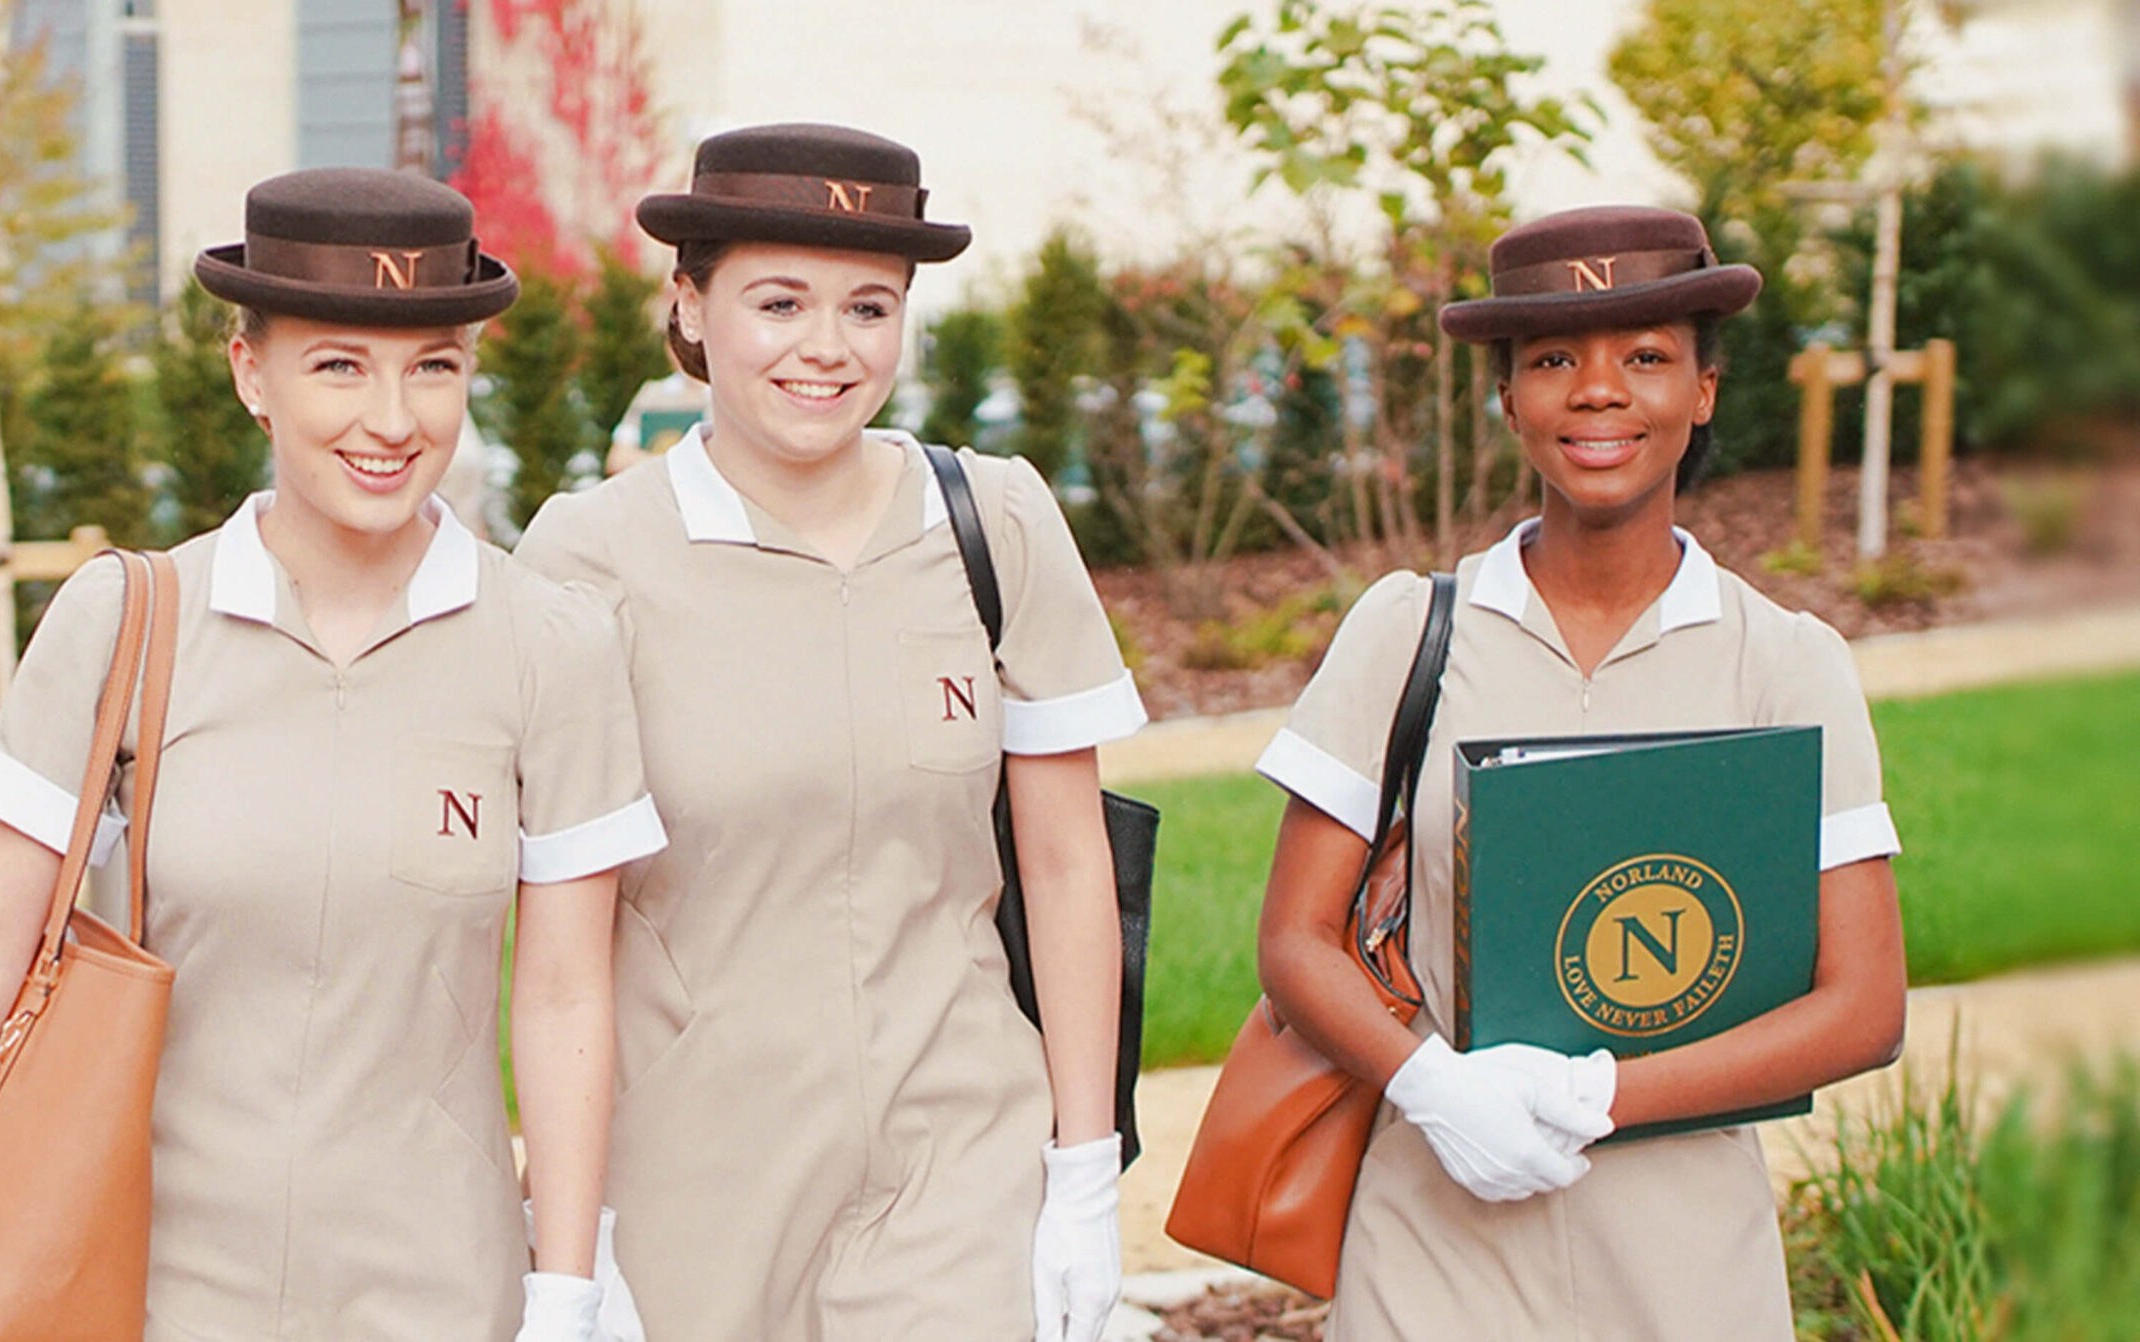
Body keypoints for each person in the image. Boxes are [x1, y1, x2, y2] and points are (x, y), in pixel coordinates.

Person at [0, 168, 665, 1342]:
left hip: (439, 1292)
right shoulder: (126, 621)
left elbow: (567, 991)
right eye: (339, 365)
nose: (393, 418)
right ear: (248, 373)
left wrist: (564, 1286)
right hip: (152, 1282)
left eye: (433, 365)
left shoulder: (553, 648)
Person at [513, 123, 1146, 1342]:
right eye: (778, 301)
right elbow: (559, 949)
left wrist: (1080, 1173)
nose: (826, 347)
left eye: (868, 307)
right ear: (689, 306)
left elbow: (1068, 868)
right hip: (693, 1185)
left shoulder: (994, 522)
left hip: (959, 1160)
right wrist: (574, 1249)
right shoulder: (586, 558)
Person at [1250, 205, 1908, 1340]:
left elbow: (1864, 1006)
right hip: (1432, 1242)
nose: (1598, 391)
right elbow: (1295, 939)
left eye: (1646, 357)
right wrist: (1431, 1088)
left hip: (1688, 1263)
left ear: (1703, 389)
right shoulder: (1406, 633)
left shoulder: (1786, 662)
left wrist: (1594, 1095)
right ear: (1507, 396)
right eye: (1553, 359)